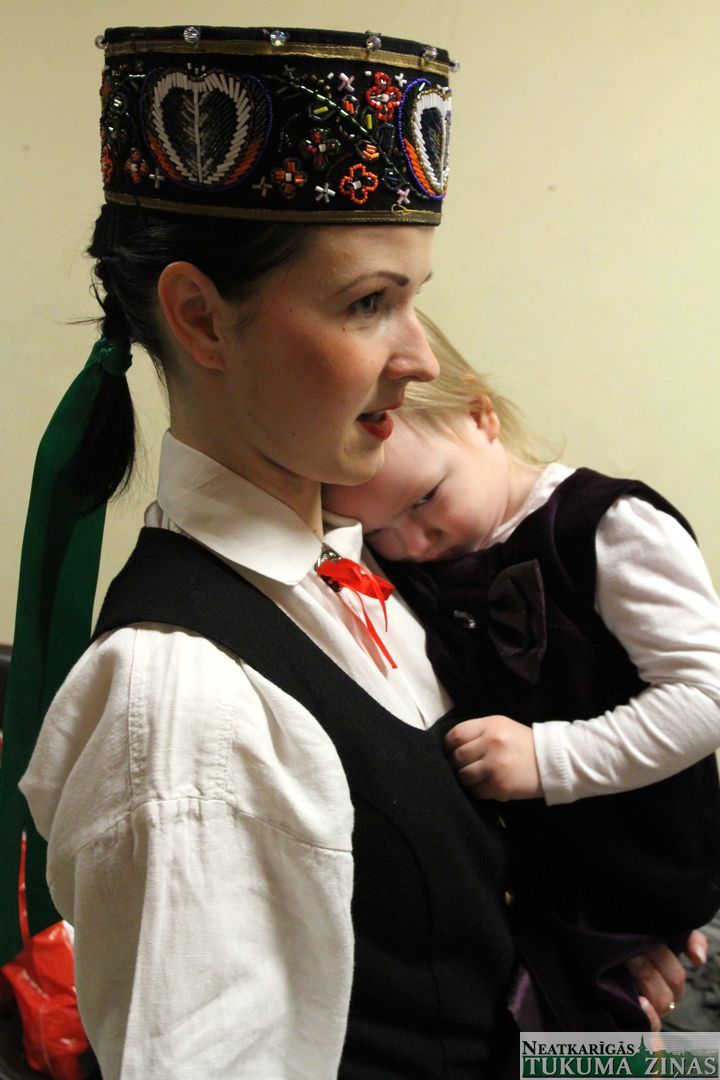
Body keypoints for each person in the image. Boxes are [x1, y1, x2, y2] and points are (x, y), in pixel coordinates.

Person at [0, 25, 694, 1080]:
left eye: (415, 297)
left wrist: (612, 935)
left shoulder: (371, 570)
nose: (420, 357)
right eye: (369, 302)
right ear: (201, 319)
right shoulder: (183, 704)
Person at [324, 311, 720, 1031]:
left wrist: (548, 757)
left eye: (426, 499)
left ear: (482, 417)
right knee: (549, 1049)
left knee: (628, 1056)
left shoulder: (607, 527)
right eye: (378, 533)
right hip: (546, 893)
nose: (415, 543)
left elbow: (705, 697)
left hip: (651, 879)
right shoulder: (417, 561)